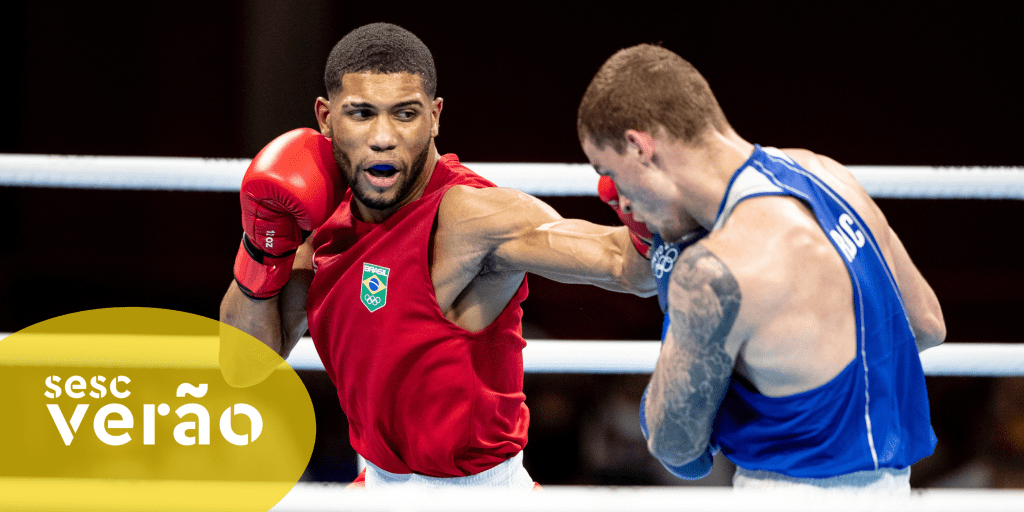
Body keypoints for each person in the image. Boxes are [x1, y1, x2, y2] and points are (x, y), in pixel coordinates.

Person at [219, 23, 656, 490]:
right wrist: (261, 245)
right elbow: (246, 365)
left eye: (405, 114)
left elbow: (632, 269)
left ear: (435, 116)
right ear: (326, 118)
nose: (383, 137)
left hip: (479, 497)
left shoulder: (474, 216)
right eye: (361, 113)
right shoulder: (324, 225)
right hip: (375, 486)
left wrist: (644, 211)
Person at [576, 43, 946, 492]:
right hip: (894, 490)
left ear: (638, 146)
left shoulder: (715, 270)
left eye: (609, 171)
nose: (623, 199)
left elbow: (677, 449)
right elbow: (926, 325)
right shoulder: (823, 172)